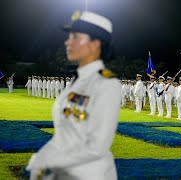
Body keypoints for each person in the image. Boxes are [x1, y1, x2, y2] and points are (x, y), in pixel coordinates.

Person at [26, 10, 120, 180]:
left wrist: (49, 161)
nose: (67, 42)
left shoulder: (106, 84)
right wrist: (41, 157)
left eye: (75, 36)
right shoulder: (77, 81)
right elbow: (62, 136)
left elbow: (97, 147)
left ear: (95, 44)